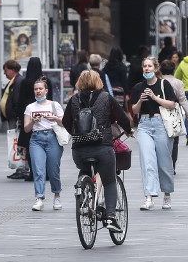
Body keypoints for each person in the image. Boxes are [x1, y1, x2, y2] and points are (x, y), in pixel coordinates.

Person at [63, 69, 132, 232]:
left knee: (84, 169)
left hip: (79, 151)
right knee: (109, 181)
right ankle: (110, 217)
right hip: (103, 148)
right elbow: (123, 118)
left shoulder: (73, 100)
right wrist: (128, 130)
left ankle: (84, 191)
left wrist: (78, 134)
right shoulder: (106, 98)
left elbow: (66, 122)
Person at [130, 57, 179, 210]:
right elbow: (134, 110)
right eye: (144, 66)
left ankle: (167, 194)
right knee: (147, 160)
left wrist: (154, 98)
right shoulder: (138, 87)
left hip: (161, 125)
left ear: (156, 68)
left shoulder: (164, 84)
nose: (146, 68)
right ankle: (149, 197)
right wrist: (140, 101)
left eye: (149, 66)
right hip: (144, 125)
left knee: (164, 162)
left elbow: (172, 104)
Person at [23, 77, 65, 211]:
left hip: (52, 137)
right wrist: (33, 121)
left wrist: (55, 118)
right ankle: (39, 198)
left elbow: (64, 123)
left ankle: (57, 194)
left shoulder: (54, 105)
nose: (38, 91)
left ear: (46, 90)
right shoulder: (30, 107)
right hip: (36, 139)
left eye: (40, 89)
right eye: (36, 89)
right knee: (38, 170)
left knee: (53, 170)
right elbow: (26, 129)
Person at [13, 57, 46, 182]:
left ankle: (33, 172)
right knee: (44, 146)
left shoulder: (26, 82)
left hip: (29, 118)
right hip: (44, 118)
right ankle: (45, 172)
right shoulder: (45, 82)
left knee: (31, 146)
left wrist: (20, 118)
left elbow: (20, 102)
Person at [160, 60, 188, 172]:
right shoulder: (178, 83)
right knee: (174, 140)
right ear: (173, 70)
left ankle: (162, 164)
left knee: (161, 139)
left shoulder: (158, 81)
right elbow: (183, 100)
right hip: (174, 113)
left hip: (159, 113)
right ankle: (172, 165)